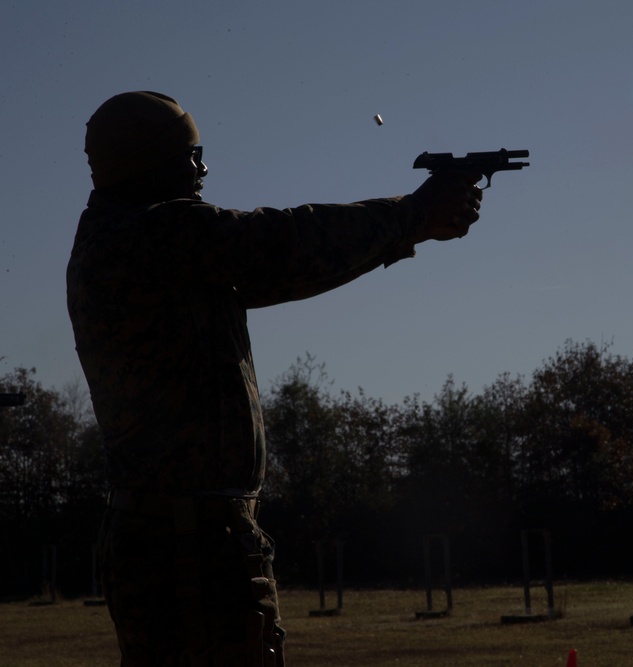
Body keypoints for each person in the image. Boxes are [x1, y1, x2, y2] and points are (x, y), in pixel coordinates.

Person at [66, 91, 483, 666]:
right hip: (191, 548)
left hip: (184, 539)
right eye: (190, 156)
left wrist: (408, 226)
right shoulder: (152, 233)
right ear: (148, 163)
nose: (202, 170)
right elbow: (280, 246)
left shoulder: (132, 241)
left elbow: (279, 270)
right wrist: (412, 214)